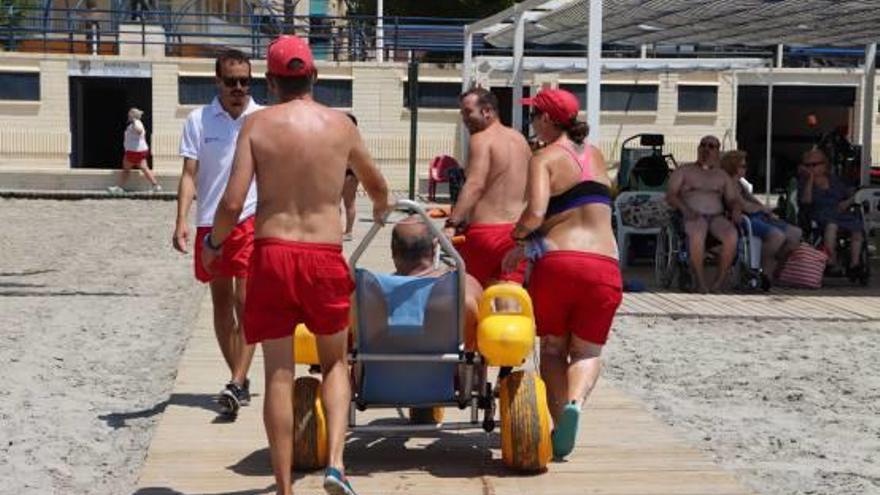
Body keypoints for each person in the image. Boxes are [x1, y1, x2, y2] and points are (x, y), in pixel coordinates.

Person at [203, 35, 390, 495]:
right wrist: (382, 210)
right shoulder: (341, 126)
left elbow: (231, 203)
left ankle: (284, 488)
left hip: (272, 254)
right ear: (315, 76)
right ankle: (335, 465)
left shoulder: (257, 126)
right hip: (323, 256)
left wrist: (214, 242)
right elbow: (378, 185)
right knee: (334, 364)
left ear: (269, 82)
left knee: (279, 375)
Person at [503, 88, 622, 460]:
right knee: (587, 350)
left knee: (553, 347)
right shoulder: (598, 155)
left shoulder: (544, 157)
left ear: (548, 120)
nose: (531, 122)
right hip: (605, 263)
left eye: (534, 115)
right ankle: (575, 404)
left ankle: (558, 424)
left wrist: (516, 238)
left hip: (560, 262)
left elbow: (536, 214)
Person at [173, 49, 261, 418]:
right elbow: (190, 174)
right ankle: (236, 377)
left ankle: (238, 381)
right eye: (231, 81)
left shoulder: (262, 119)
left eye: (245, 81)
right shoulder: (198, 120)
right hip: (210, 221)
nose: (238, 88)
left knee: (246, 303)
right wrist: (181, 219)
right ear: (217, 81)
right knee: (222, 304)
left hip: (250, 219)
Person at [444, 87, 532, 288]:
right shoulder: (520, 140)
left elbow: (475, 184)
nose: (464, 119)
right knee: (508, 300)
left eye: (468, 112)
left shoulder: (481, 139)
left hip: (485, 235)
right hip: (516, 234)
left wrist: (451, 223)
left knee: (470, 297)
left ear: (487, 111)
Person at [391, 216, 482, 351]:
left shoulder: (369, 293)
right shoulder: (463, 287)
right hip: (447, 371)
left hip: (380, 371)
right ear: (434, 246)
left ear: (393, 250)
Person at [666, 135, 742, 293]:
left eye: (711, 146)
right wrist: (685, 209)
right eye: (703, 145)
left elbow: (732, 199)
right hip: (691, 215)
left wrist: (735, 209)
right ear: (698, 148)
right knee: (698, 231)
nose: (706, 149)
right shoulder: (684, 171)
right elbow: (671, 195)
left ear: (717, 152)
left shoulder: (722, 176)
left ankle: (718, 282)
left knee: (731, 235)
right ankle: (700, 281)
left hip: (716, 217)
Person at [720, 150, 801, 281]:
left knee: (795, 234)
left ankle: (775, 269)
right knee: (777, 236)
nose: (746, 169)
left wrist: (765, 209)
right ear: (733, 167)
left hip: (757, 216)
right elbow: (744, 206)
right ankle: (762, 269)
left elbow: (752, 201)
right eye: (743, 166)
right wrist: (762, 209)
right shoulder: (728, 184)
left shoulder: (740, 183)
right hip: (743, 220)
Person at [799, 148, 865, 277]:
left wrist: (848, 202)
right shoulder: (803, 181)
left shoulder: (835, 180)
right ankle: (831, 261)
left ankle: (855, 264)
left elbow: (851, 194)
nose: (811, 168)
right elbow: (806, 201)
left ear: (825, 164)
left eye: (815, 164)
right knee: (831, 225)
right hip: (819, 213)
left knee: (857, 226)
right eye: (808, 165)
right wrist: (810, 179)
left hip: (840, 211)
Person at [107, 107, 161, 194]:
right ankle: (155, 185)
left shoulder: (137, 123)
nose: (128, 116)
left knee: (126, 170)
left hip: (133, 152)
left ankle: (119, 187)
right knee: (144, 168)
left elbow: (139, 131)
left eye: (129, 115)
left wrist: (135, 121)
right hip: (138, 151)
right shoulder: (135, 124)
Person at [342, 113, 359, 241]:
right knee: (334, 203)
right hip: (341, 172)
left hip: (349, 173)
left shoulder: (353, 140)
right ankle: (340, 230)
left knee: (349, 203)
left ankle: (348, 231)